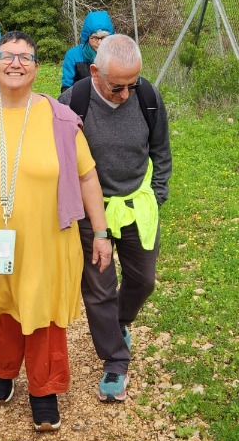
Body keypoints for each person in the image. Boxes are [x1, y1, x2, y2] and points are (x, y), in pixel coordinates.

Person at [0, 32, 112, 432]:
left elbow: (87, 177)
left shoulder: (59, 119)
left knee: (42, 314)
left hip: (46, 242)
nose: (15, 63)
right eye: (7, 55)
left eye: (25, 57)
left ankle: (44, 389)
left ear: (37, 68)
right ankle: (3, 370)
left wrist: (101, 232)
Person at [58, 34, 171, 403]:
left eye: (132, 85)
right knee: (99, 289)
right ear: (95, 71)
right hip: (94, 212)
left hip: (138, 207)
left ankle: (118, 322)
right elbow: (60, 161)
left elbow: (161, 151)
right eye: (117, 87)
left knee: (144, 281)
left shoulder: (148, 99)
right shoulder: (73, 103)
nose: (126, 94)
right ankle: (115, 361)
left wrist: (158, 192)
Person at [60, 10, 114, 92]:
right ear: (87, 37)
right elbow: (67, 88)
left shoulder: (117, 54)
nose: (100, 42)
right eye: (95, 38)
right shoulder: (73, 56)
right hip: (82, 99)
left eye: (104, 37)